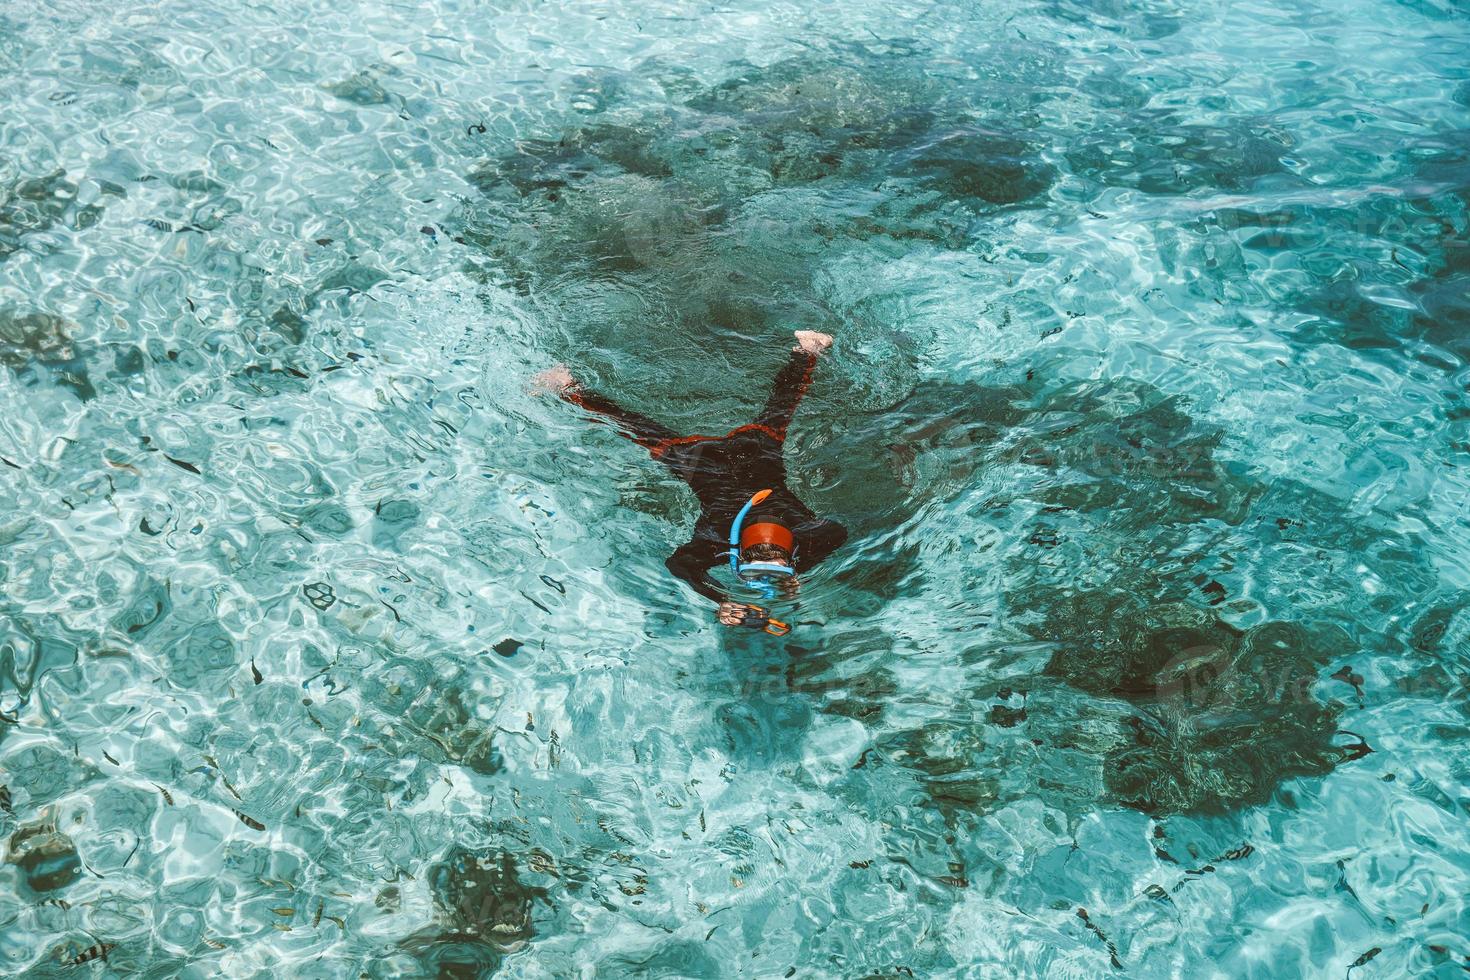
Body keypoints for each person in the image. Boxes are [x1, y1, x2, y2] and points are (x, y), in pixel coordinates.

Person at [534, 331, 847, 631]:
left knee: (779, 410)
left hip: (751, 454)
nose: (763, 576)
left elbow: (680, 566)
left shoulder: (797, 536)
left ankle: (808, 350)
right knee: (634, 427)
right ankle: (567, 386)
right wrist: (729, 597)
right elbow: (680, 565)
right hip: (703, 463)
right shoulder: (721, 540)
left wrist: (730, 598)